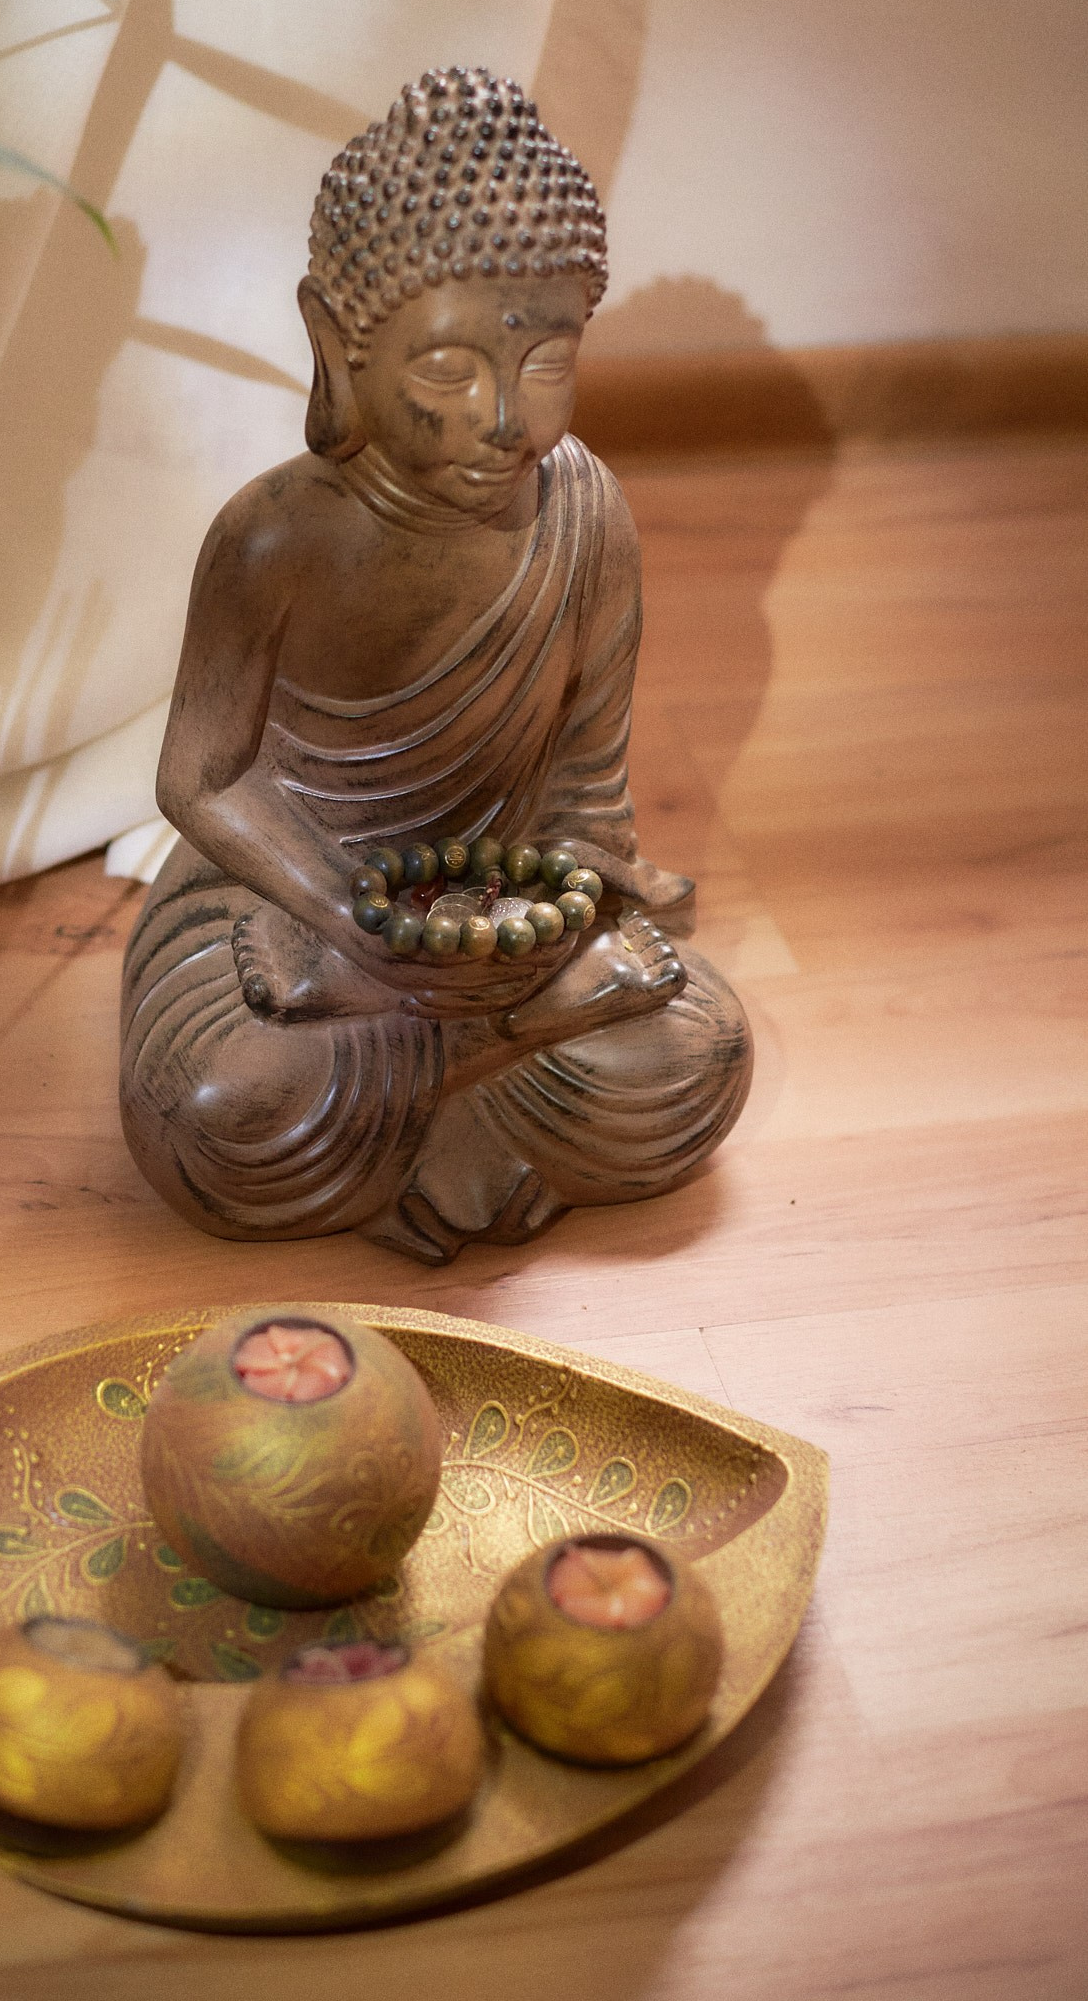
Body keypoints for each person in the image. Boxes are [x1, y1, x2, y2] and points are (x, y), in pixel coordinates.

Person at [120, 68, 750, 1264]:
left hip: (500, 913)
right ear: (336, 345)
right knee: (222, 1112)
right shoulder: (273, 537)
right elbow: (202, 783)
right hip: (286, 917)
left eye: (549, 362)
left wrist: (546, 915)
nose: (508, 420)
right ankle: (487, 1063)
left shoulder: (589, 515)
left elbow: (586, 797)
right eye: (448, 373)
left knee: (698, 1054)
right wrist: (358, 925)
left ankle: (467, 1066)